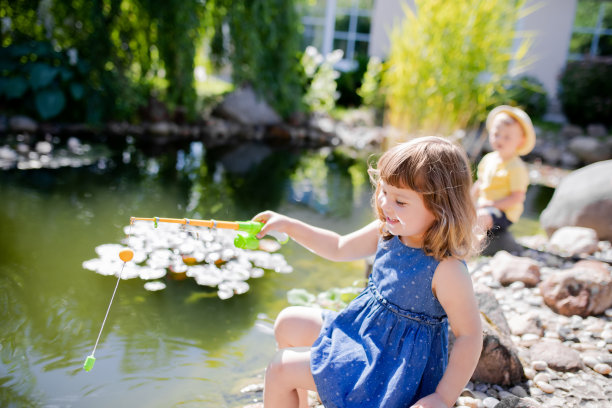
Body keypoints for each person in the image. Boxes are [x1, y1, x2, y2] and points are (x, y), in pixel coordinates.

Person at [252, 136, 482, 408]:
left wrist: (444, 397)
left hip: (390, 369)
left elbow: (469, 335)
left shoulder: (446, 268)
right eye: (384, 191)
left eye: (401, 201)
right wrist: (289, 226)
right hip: (362, 334)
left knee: (280, 367)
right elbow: (337, 247)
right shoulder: (387, 231)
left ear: (440, 207)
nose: (386, 205)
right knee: (288, 322)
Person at [472, 105, 536, 238]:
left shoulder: (516, 167)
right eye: (496, 134)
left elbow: (516, 198)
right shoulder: (488, 159)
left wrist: (491, 204)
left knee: (482, 218)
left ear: (520, 141)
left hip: (503, 212)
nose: (500, 140)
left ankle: (471, 248)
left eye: (507, 137)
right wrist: (468, 201)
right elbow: (480, 183)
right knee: (461, 213)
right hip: (484, 206)